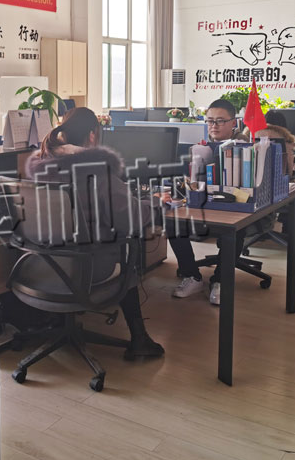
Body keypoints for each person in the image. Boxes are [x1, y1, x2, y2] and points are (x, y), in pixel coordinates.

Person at [24, 107, 164, 360]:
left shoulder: (39, 165)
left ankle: (56, 323)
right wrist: (154, 202)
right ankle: (140, 340)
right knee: (127, 256)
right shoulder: (97, 170)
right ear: (92, 135)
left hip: (40, 265)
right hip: (84, 268)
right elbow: (129, 218)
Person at [169, 99, 248, 305]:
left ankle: (220, 281)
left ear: (234, 123)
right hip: (200, 205)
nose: (214, 125)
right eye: (210, 120)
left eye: (220, 121)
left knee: (235, 229)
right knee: (172, 223)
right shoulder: (199, 148)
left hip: (232, 207)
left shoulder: (246, 149)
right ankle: (192, 276)